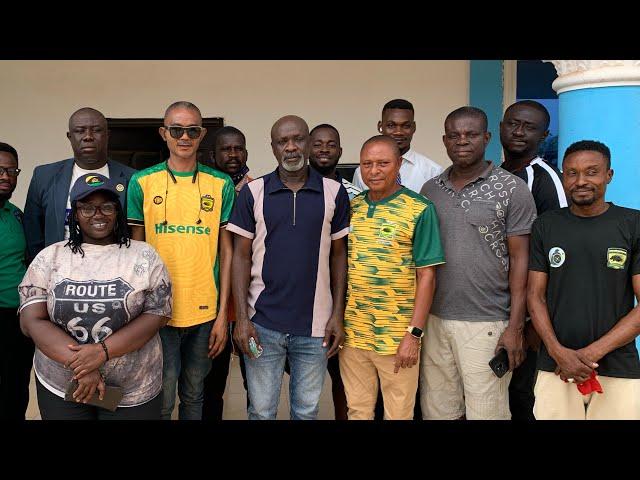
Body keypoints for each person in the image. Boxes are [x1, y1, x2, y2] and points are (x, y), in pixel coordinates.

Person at [18, 173, 172, 420]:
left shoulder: (144, 256)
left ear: (118, 212)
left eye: (107, 207)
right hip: (63, 384)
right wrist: (84, 365)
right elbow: (32, 321)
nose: (98, 214)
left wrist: (102, 352)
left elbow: (158, 314)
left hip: (133, 387)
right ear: (75, 214)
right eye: (87, 208)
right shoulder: (50, 257)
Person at [228, 115, 349, 420]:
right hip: (262, 323)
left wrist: (337, 315)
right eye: (283, 141)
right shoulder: (252, 194)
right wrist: (241, 319)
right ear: (273, 148)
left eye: (298, 139)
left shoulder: (334, 192)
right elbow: (240, 257)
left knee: (306, 411)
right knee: (262, 411)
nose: (291, 147)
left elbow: (339, 256)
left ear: (308, 143)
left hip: (316, 326)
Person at [420, 106, 537, 420]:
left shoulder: (513, 189)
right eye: (454, 135)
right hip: (434, 320)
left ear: (486, 138)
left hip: (487, 323)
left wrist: (515, 327)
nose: (462, 141)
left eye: (471, 134)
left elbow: (520, 259)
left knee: (487, 413)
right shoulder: (430, 190)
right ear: (444, 140)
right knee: (439, 412)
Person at [127, 101, 235, 420]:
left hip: (204, 310)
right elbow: (136, 251)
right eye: (176, 129)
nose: (184, 136)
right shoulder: (142, 183)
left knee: (194, 395)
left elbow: (226, 252)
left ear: (202, 135)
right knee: (161, 397)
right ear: (164, 133)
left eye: (192, 130)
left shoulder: (221, 185)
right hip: (158, 312)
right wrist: (137, 311)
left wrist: (221, 316)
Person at [528, 140, 640, 420]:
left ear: (609, 175)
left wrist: (589, 355)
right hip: (555, 365)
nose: (581, 181)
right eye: (572, 173)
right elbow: (535, 296)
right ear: (564, 176)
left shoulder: (632, 224)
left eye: (592, 172)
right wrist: (558, 352)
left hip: (617, 365)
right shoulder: (546, 225)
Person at [340, 136, 444, 420]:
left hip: (397, 337)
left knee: (398, 413)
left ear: (398, 164)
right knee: (357, 411)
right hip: (354, 334)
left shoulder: (419, 208)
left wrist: (414, 334)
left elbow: (427, 276)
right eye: (367, 164)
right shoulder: (353, 208)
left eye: (383, 163)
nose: (374, 171)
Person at [499, 100, 568, 421]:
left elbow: (557, 252)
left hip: (528, 317)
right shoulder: (496, 175)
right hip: (497, 308)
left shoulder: (543, 178)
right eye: (513, 123)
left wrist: (535, 324)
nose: (518, 132)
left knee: (523, 396)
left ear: (544, 134)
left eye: (529, 127)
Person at [23, 107, 136, 262]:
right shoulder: (44, 176)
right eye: (80, 131)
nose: (88, 137)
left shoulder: (133, 178)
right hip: (59, 269)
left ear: (107, 135)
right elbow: (33, 232)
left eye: (96, 130)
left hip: (117, 267)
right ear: (70, 137)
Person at [304, 123, 360, 420]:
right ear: (307, 148)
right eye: (318, 143)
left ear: (340, 150)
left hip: (342, 297)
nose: (324, 149)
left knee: (344, 376)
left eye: (331, 144)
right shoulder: (294, 187)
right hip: (303, 298)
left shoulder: (354, 194)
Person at [202, 126, 252, 420]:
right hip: (214, 301)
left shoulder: (259, 189)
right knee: (212, 381)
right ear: (213, 154)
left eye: (238, 149)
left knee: (255, 380)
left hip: (251, 304)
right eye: (226, 149)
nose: (233, 154)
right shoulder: (205, 190)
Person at [0, 142, 34, 419]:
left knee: (16, 386)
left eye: (12, 170)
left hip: (19, 318)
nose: (5, 176)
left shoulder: (16, 214)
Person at [352, 98, 442, 193]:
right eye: (391, 125)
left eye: (406, 126)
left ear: (414, 127)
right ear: (380, 127)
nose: (398, 132)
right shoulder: (361, 173)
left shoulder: (432, 171)